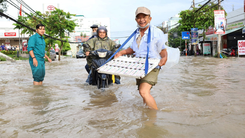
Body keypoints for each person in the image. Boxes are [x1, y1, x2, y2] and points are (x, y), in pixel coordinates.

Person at [114, 7, 167, 110]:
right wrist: (121, 52)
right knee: (143, 93)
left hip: (152, 65)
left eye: (144, 17)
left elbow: (163, 50)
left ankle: (155, 116)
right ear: (136, 20)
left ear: (150, 18)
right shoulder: (136, 33)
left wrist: (164, 58)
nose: (141, 20)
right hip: (138, 65)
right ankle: (146, 115)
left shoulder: (156, 32)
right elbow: (133, 49)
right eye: (139, 17)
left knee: (143, 91)